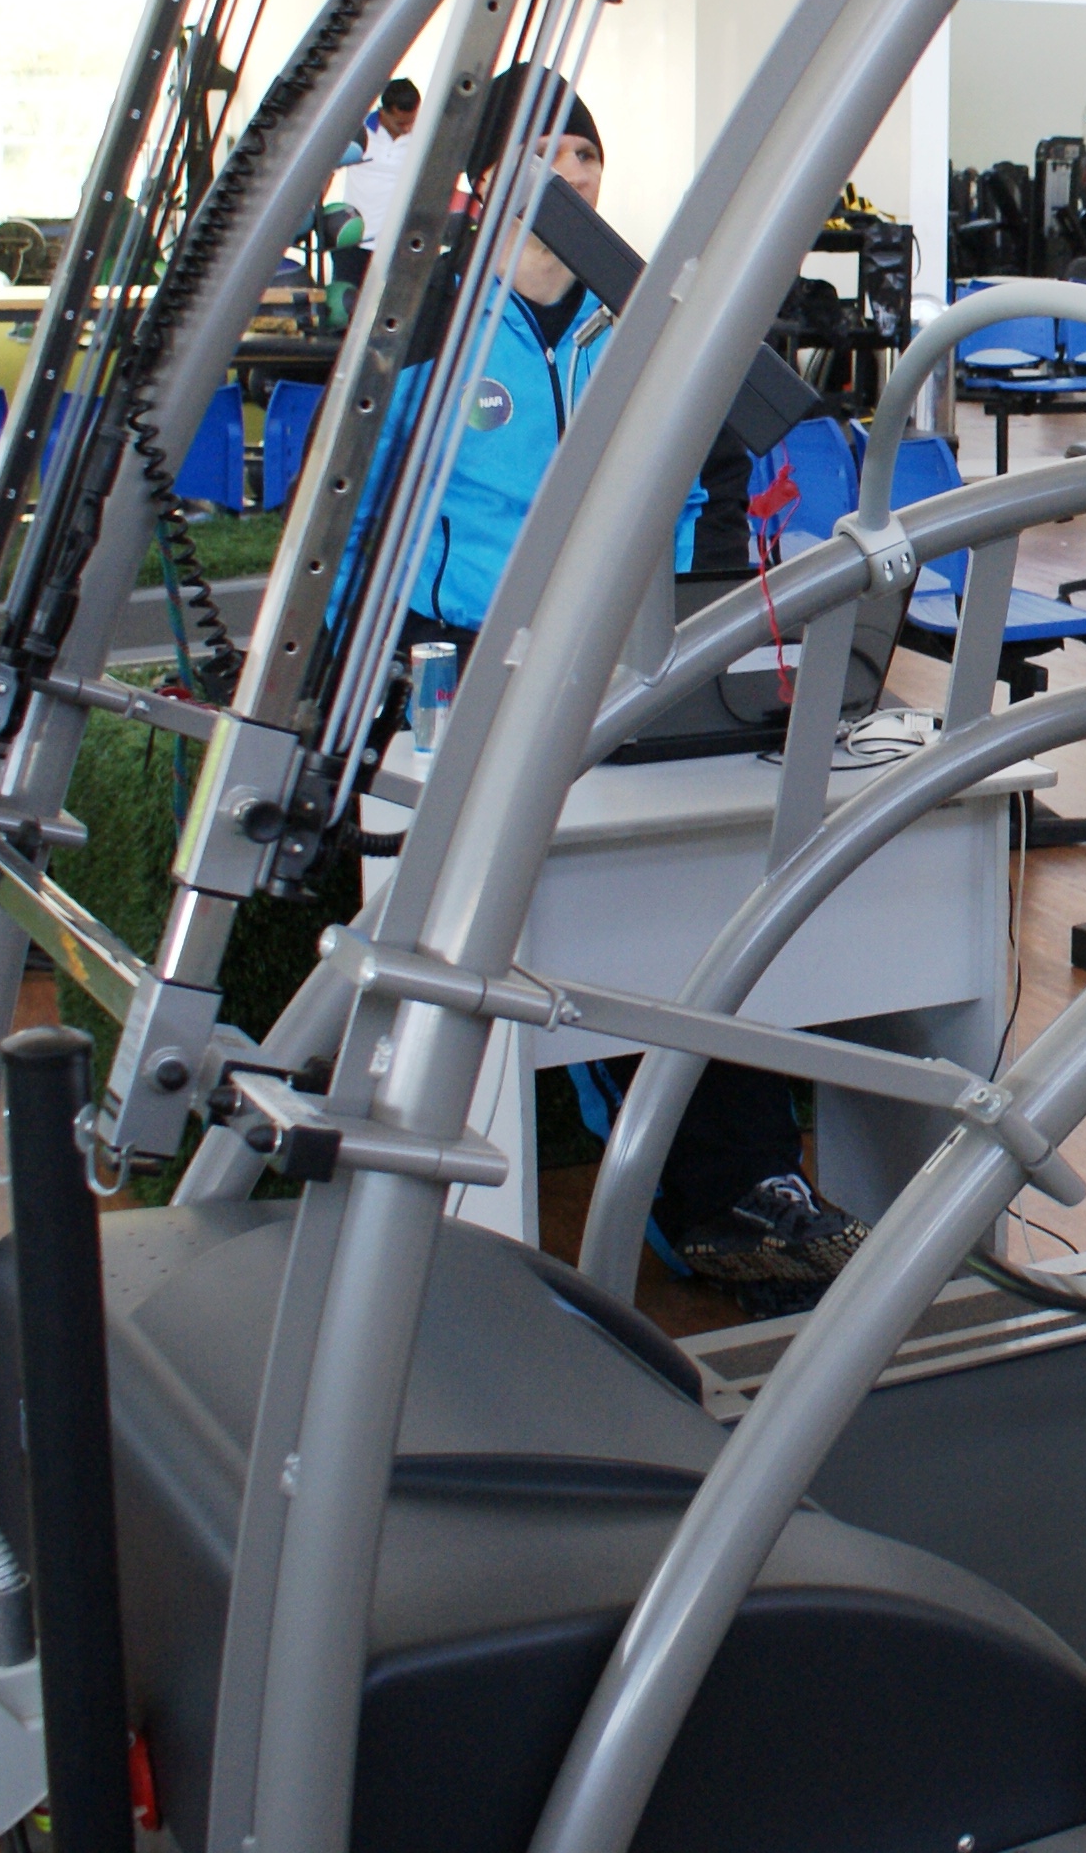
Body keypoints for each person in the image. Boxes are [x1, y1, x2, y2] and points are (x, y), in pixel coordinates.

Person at [356, 100, 853, 1310]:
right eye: (544, 153)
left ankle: (747, 1186)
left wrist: (688, 646)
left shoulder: (647, 322)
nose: (570, 174)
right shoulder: (425, 329)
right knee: (572, 901)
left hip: (636, 662)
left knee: (698, 886)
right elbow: (358, 527)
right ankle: (707, 1190)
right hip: (467, 667)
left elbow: (719, 497)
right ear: (484, 181)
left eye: (586, 153)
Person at [322, 76, 424, 323]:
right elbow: (327, 173)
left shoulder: (424, 136)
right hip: (352, 243)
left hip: (398, 246)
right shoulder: (358, 132)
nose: (407, 128)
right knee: (344, 315)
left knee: (391, 317)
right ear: (383, 112)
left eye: (411, 121)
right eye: (401, 123)